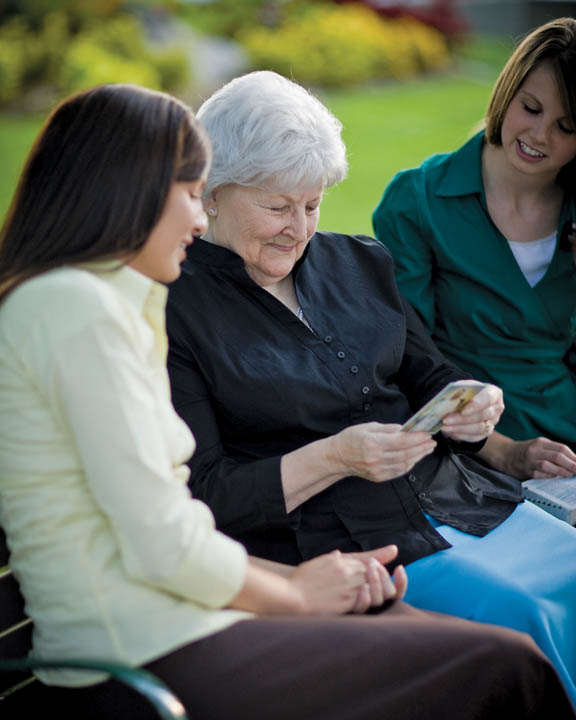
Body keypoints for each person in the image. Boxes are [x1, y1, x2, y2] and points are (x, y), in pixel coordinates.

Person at [1, 84, 567, 720]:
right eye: (189, 194)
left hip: (190, 610)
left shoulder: (104, 303)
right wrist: (295, 591)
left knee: (482, 651)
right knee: (504, 666)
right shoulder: (79, 312)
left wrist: (302, 588)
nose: (197, 218)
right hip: (149, 642)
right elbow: (166, 535)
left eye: (312, 205)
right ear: (123, 195)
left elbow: (160, 525)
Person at [165, 70, 576, 706]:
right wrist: (332, 457)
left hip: (465, 501)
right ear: (212, 192)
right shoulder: (175, 309)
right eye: (276, 206)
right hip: (348, 547)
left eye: (313, 204)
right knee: (523, 612)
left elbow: (428, 373)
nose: (298, 229)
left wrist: (468, 402)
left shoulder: (358, 261)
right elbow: (206, 496)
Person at [373, 17, 576, 480]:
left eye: (566, 126)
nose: (540, 135)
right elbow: (406, 357)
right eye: (530, 108)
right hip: (469, 450)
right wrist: (503, 450)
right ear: (506, 91)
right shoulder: (419, 200)